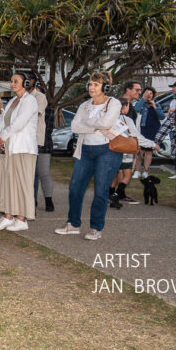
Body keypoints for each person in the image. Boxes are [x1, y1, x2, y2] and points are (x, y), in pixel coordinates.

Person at [55, 71, 121, 240]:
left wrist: (87, 123)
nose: (92, 87)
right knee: (75, 188)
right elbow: (74, 127)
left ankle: (96, 228)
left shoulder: (114, 103)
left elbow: (107, 122)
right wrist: (97, 126)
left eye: (96, 84)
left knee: (100, 191)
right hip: (85, 150)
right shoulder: (84, 106)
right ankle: (73, 224)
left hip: (107, 151)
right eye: (90, 84)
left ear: (105, 87)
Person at [0, 72, 39, 232]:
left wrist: (2, 136)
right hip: (9, 148)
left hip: (23, 148)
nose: (12, 84)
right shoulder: (12, 101)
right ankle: (8, 216)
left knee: (22, 184)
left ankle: (22, 219)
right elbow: (2, 121)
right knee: (8, 182)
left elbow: (19, 123)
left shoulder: (30, 101)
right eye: (11, 81)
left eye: (16, 81)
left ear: (25, 83)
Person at [109, 98, 160, 207]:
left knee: (114, 174)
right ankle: (116, 195)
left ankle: (110, 195)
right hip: (124, 151)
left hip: (111, 150)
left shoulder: (109, 118)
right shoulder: (127, 120)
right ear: (124, 107)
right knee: (127, 174)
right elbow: (137, 136)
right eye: (128, 106)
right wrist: (152, 144)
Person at [28, 74, 55, 212]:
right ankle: (32, 201)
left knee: (43, 172)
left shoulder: (49, 110)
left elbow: (48, 129)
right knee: (32, 174)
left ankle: (48, 200)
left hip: (44, 143)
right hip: (29, 142)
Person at [133, 86, 165, 179]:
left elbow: (162, 116)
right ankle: (137, 171)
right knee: (140, 151)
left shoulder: (157, 104)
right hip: (142, 129)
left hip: (153, 129)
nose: (149, 95)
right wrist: (143, 99)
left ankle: (146, 171)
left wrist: (155, 106)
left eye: (151, 93)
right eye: (147, 93)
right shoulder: (141, 104)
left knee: (149, 151)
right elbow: (136, 110)